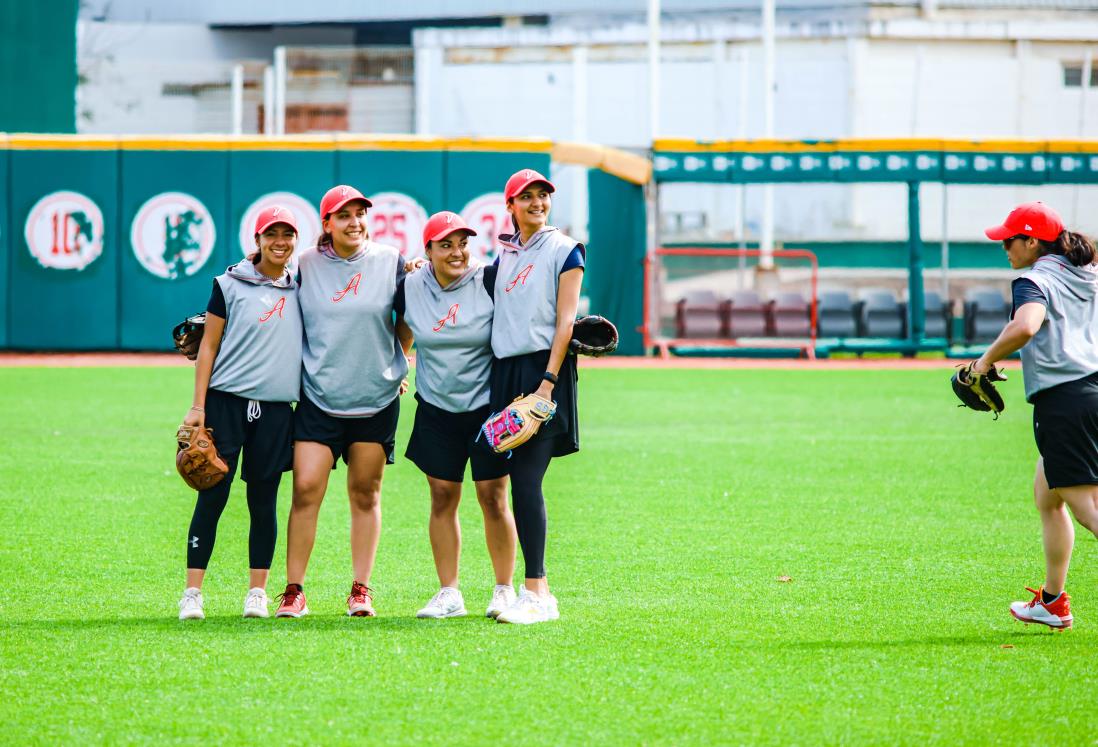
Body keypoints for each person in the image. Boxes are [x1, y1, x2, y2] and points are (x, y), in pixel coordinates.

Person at [276, 185, 411, 618]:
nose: (355, 222)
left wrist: (400, 356)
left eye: (360, 214)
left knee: (365, 493)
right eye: (344, 215)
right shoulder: (304, 266)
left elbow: (407, 318)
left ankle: (361, 589)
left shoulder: (391, 261)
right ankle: (294, 590)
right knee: (306, 488)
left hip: (375, 397)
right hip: (319, 397)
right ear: (327, 224)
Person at [178, 205, 302, 620]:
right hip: (226, 402)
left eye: (287, 234)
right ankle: (192, 593)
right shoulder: (228, 284)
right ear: (258, 240)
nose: (280, 241)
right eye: (272, 234)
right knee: (212, 494)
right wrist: (198, 406)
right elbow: (207, 347)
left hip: (275, 409)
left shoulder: (302, 287)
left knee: (263, 500)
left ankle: (257, 593)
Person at [979, 201, 1098, 630]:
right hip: (1092, 392)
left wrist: (983, 362)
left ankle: (1053, 603)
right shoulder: (1088, 273)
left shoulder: (1033, 280)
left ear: (1032, 242)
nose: (1005, 247)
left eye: (1010, 240)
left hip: (1067, 400)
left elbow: (1027, 326)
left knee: (1088, 510)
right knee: (1048, 496)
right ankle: (1052, 601)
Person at [395, 212, 517, 619]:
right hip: (436, 407)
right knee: (443, 497)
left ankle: (504, 588)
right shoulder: (410, 286)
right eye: (445, 244)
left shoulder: (489, 281)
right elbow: (402, 333)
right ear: (427, 251)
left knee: (493, 498)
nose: (456, 252)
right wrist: (398, 366)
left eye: (462, 243)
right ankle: (450, 593)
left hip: (486, 409)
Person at [488, 169, 585, 625]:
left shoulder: (565, 250)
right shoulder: (504, 256)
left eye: (542, 195)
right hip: (505, 373)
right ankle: (516, 590)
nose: (536, 203)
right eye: (526, 197)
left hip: (545, 372)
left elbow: (566, 322)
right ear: (510, 205)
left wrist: (547, 382)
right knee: (502, 480)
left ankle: (539, 592)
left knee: (527, 478)